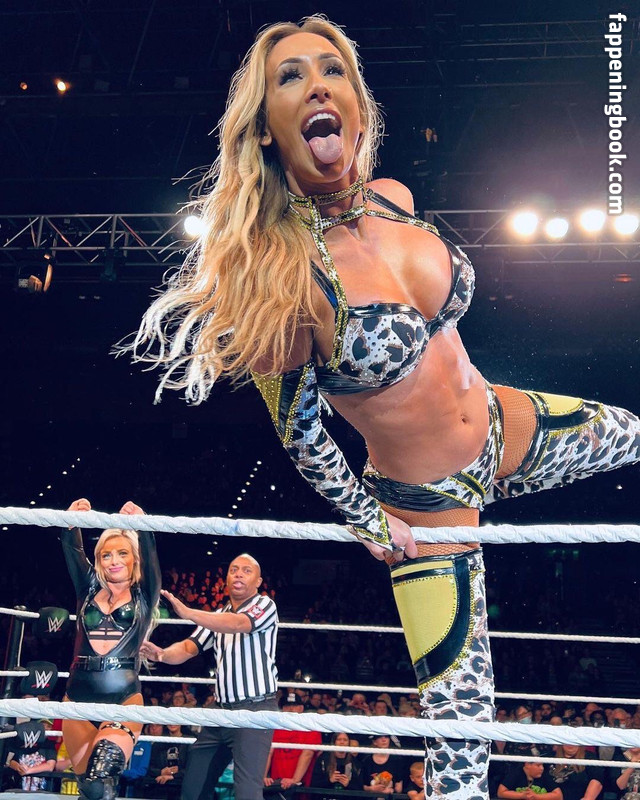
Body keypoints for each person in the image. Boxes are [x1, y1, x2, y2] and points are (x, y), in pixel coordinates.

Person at [129, 14, 640, 799]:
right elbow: (302, 437)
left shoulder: (395, 199)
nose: (316, 86)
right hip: (427, 505)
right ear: (265, 127)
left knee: (635, 434)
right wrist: (372, 523)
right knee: (463, 740)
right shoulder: (279, 277)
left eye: (330, 69)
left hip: (504, 424)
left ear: (355, 101)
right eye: (290, 77)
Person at [139, 554, 278, 800]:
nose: (238, 574)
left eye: (246, 570)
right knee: (193, 787)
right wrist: (162, 654)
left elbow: (238, 624)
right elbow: (188, 647)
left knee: (247, 792)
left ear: (258, 582)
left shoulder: (265, 605)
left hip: (255, 711)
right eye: (234, 569)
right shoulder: (218, 614)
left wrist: (189, 612)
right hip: (220, 713)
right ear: (227, 578)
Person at [61, 498, 161, 800]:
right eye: (106, 554)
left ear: (134, 558)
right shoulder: (88, 587)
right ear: (99, 559)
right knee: (90, 791)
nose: (113, 560)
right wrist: (71, 523)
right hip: (76, 698)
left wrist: (143, 524)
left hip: (122, 699)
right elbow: (71, 549)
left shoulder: (144, 593)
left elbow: (151, 555)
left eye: (122, 553)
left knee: (99, 777)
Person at [264, 692, 321, 796]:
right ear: (282, 709)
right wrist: (263, 776)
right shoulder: (275, 728)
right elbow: (268, 752)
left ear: (301, 708)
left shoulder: (310, 728)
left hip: (301, 787)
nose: (290, 709)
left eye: (294, 705)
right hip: (275, 785)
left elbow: (307, 754)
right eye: (287, 706)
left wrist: (295, 780)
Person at [310, 731, 362, 799]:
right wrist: (329, 780)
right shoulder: (324, 759)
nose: (342, 742)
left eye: (345, 740)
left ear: (348, 743)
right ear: (334, 742)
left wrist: (348, 784)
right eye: (339, 739)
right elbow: (314, 784)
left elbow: (360, 788)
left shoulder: (354, 762)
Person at [498, 759, 562, 800]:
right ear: (527, 765)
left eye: (542, 765)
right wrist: (521, 795)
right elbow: (501, 792)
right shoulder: (516, 773)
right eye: (538, 765)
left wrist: (536, 796)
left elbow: (559, 796)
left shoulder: (544, 774)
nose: (542, 768)